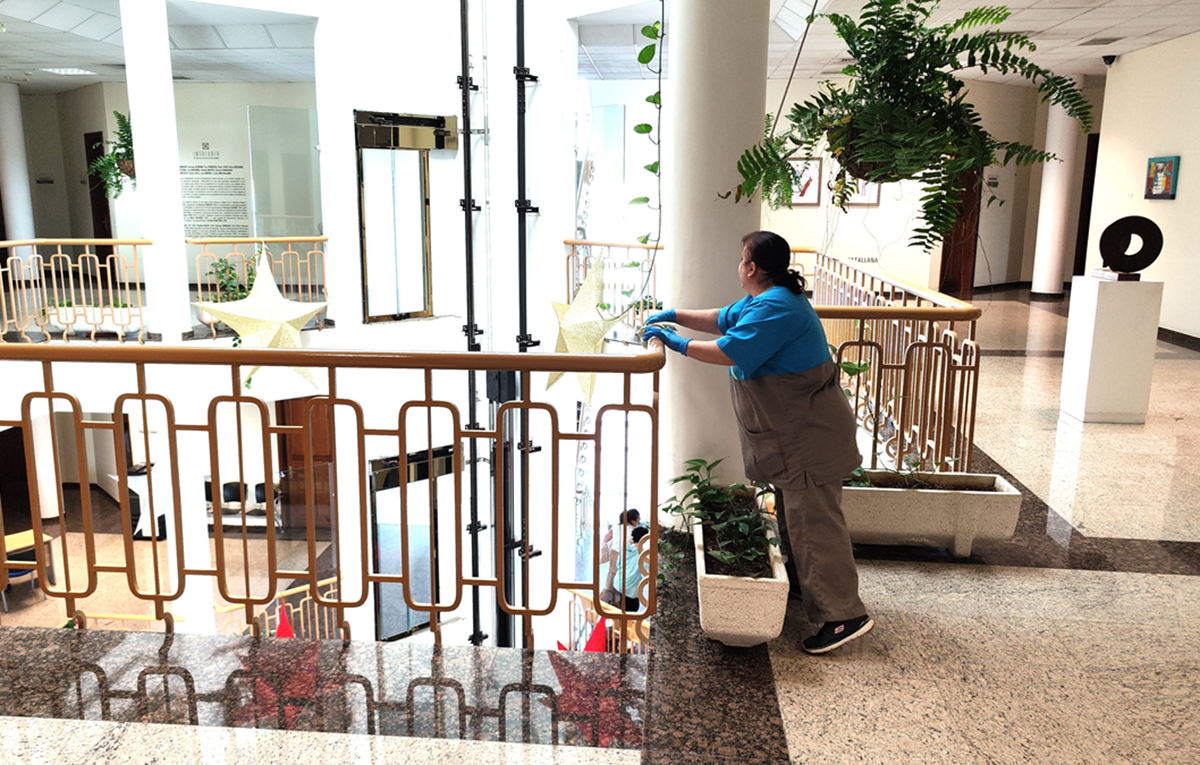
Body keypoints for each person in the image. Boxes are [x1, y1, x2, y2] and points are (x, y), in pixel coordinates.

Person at [643, 231, 873, 654]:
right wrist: (672, 314)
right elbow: (720, 318)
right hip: (797, 433)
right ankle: (813, 592)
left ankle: (844, 616)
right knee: (797, 520)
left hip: (809, 436)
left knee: (815, 525)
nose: (738, 264)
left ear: (751, 267)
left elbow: (729, 350)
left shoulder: (777, 308)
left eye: (741, 258)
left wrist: (675, 342)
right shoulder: (767, 298)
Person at [602, 509, 647, 612]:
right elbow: (636, 544)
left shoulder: (616, 527)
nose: (639, 520)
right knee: (626, 575)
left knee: (612, 576)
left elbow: (606, 538)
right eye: (638, 518)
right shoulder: (633, 531)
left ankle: (608, 601)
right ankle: (616, 602)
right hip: (626, 552)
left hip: (614, 552)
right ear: (633, 520)